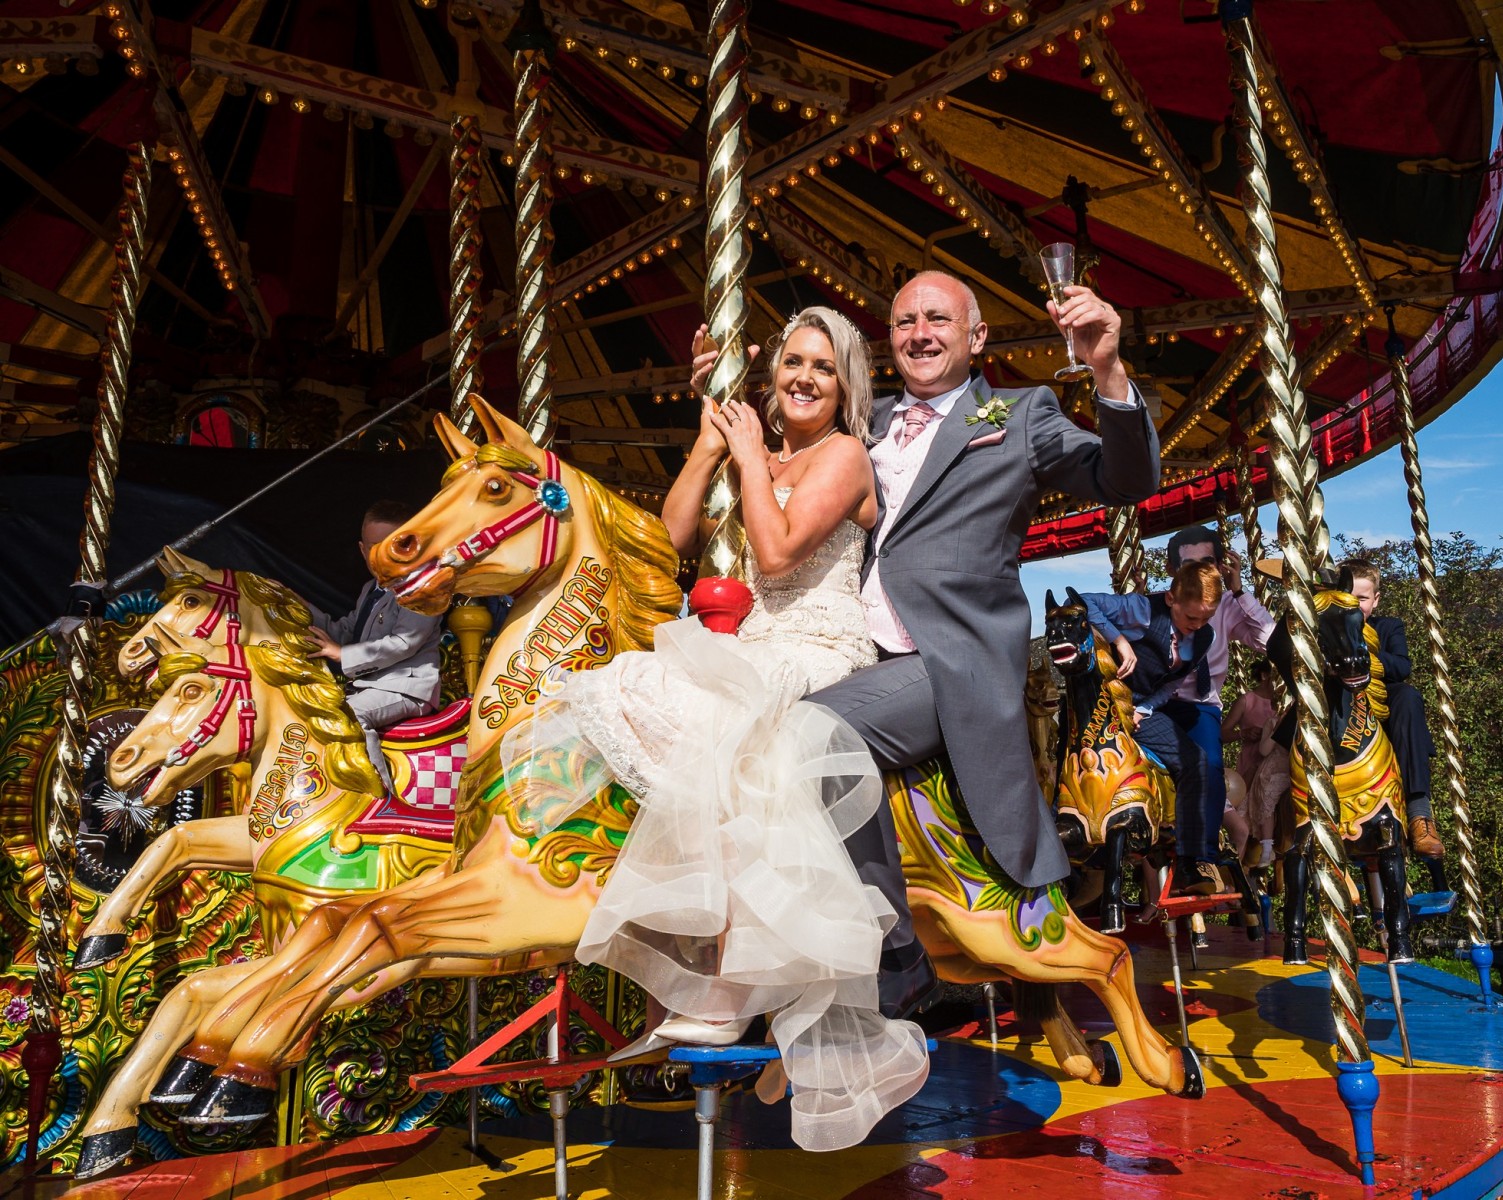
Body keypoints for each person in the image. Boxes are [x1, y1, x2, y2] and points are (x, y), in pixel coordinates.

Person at [695, 270, 1161, 1017]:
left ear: (976, 336)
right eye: (905, 321)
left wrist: (1106, 368)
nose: (919, 333)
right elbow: (782, 441)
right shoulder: (864, 418)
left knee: (816, 733)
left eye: (938, 319)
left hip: (947, 658)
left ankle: (897, 956)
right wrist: (719, 389)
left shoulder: (1021, 415)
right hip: (848, 652)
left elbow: (1126, 478)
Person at [520, 306, 928, 1152]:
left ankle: (732, 983)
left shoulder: (843, 456)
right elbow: (665, 543)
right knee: (619, 689)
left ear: (845, 387)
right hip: (746, 647)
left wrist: (747, 456)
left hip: (814, 651)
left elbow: (776, 556)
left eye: (823, 367)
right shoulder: (753, 452)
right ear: (771, 374)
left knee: (714, 725)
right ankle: (670, 956)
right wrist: (708, 445)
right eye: (793, 362)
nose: (805, 378)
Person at [1078, 562, 1228, 894]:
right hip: (1103, 701)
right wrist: (1120, 640)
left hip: (1138, 709)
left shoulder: (1204, 637)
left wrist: (1143, 710)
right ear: (1171, 599)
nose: (1197, 626)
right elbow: (1082, 600)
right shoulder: (1143, 610)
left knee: (1197, 762)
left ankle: (1189, 861)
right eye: (1191, 617)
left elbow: (1171, 684)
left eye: (1205, 618)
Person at [306, 501, 443, 793]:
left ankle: (377, 795)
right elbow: (345, 632)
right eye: (372, 547)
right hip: (373, 686)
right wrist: (297, 606)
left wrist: (341, 654)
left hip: (406, 688)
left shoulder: (422, 587)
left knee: (350, 715)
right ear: (362, 549)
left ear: (410, 545)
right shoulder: (372, 589)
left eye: (392, 545)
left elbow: (404, 642)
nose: (380, 554)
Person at [1162, 526, 1276, 872]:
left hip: (1200, 708)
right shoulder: (1161, 603)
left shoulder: (1225, 605)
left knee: (1210, 767)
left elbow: (1268, 641)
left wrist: (1239, 590)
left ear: (1222, 565)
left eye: (1208, 563)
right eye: (1189, 565)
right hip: (1159, 704)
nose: (1200, 572)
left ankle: (1203, 859)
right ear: (1172, 570)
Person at [1343, 559, 1445, 862]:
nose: (1355, 604)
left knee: (1408, 696)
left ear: (1375, 600)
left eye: (1362, 598)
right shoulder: (1329, 625)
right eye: (1348, 596)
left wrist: (1366, 653)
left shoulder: (1388, 626)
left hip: (1381, 705)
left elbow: (1402, 666)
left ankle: (1419, 814)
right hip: (1342, 702)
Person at [1222, 657, 1288, 865]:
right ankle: (1236, 867)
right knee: (1243, 821)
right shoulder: (1247, 701)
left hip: (1280, 765)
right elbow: (1222, 733)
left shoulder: (1287, 703)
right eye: (1278, 675)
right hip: (1252, 765)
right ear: (1265, 675)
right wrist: (1243, 733)